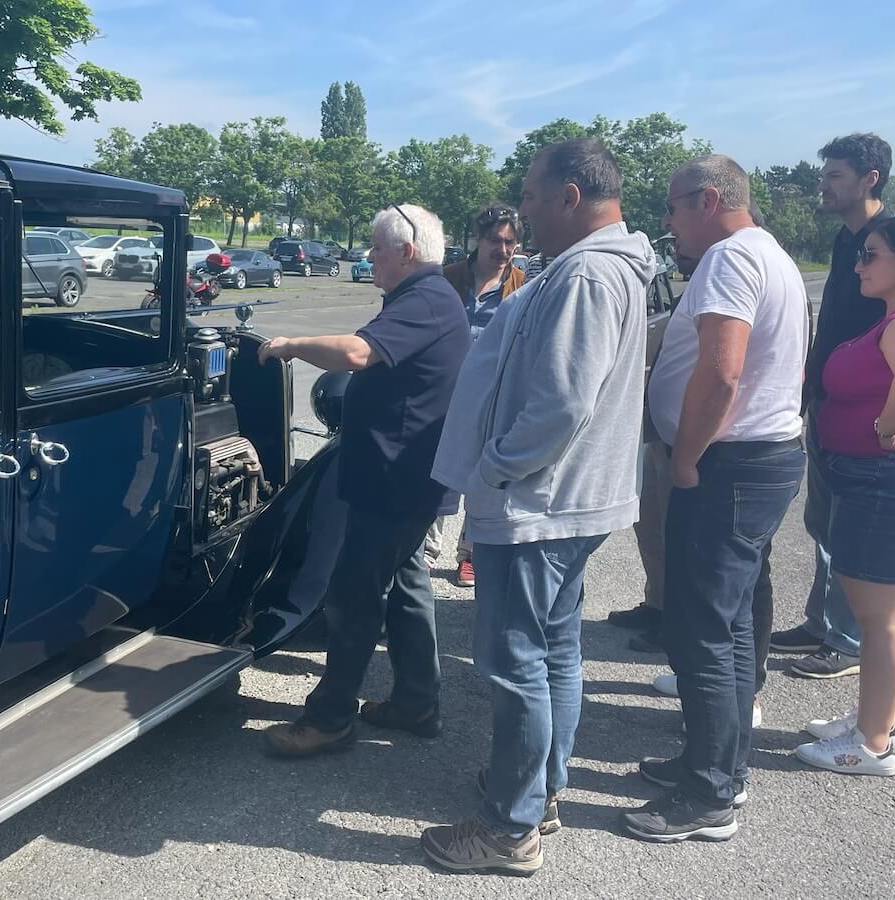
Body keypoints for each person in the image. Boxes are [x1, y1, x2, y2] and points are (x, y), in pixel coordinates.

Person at [421, 138, 654, 874]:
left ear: (569, 196)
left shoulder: (587, 276)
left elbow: (558, 404)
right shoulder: (599, 270)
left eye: (529, 192)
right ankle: (541, 790)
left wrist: (492, 472)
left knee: (514, 661)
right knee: (554, 652)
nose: (521, 209)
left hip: (539, 506)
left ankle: (508, 829)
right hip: (566, 504)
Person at [623, 155, 808, 843]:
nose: (668, 223)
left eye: (672, 208)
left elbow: (722, 372)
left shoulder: (731, 258)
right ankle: (716, 768)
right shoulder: (770, 255)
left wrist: (689, 460)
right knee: (727, 628)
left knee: (700, 631)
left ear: (706, 200)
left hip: (726, 465)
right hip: (759, 462)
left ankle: (707, 796)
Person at [259, 203, 470, 757]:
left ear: (406, 251)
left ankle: (330, 719)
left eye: (376, 247)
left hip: (395, 480)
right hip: (406, 476)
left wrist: (289, 344)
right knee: (406, 589)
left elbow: (357, 352)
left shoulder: (425, 298)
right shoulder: (428, 297)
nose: (368, 256)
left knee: (353, 596)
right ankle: (417, 702)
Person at [794, 214, 895, 775]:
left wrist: (883, 428)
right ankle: (876, 720)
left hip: (886, 481)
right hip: (878, 481)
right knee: (884, 613)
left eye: (871, 255)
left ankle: (871, 743)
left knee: (883, 617)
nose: (859, 264)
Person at [771, 133, 894, 680]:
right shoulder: (847, 241)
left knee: (850, 526)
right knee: (821, 520)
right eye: (825, 176)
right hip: (827, 400)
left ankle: (846, 640)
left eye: (835, 176)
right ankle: (822, 622)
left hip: (871, 411)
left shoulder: (894, 240)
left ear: (871, 178)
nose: (822, 185)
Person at [425, 203, 525, 586]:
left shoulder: (521, 285)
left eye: (510, 242)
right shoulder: (448, 279)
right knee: (440, 471)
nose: (502, 250)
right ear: (476, 239)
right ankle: (426, 550)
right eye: (495, 240)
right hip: (445, 392)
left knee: (483, 475)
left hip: (494, 396)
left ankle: (469, 553)